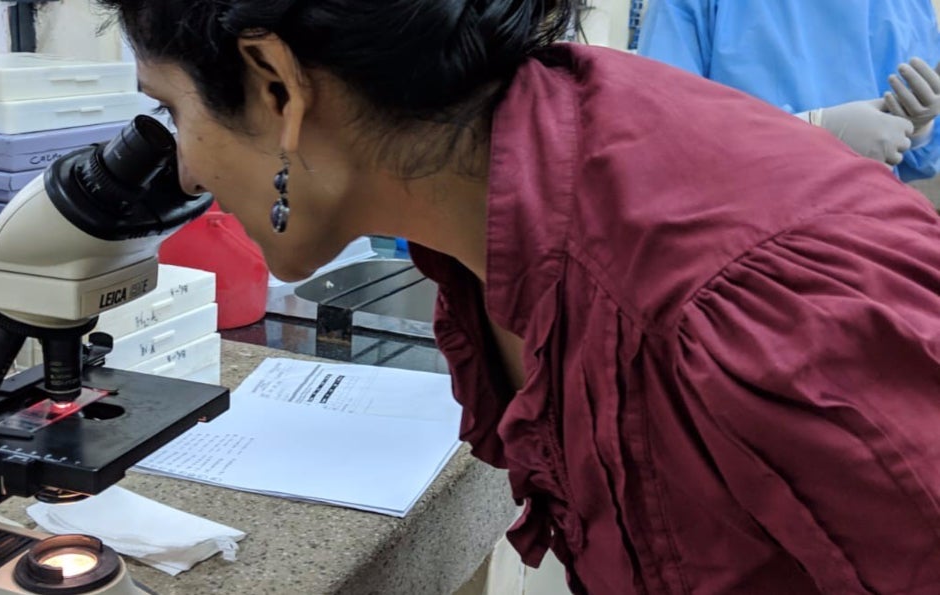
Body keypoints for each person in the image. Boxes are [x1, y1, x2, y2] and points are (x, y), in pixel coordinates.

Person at [96, 0, 940, 592]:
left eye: (172, 110)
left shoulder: (730, 308)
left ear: (275, 82)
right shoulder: (496, 205)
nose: (184, 171)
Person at [637, 0, 940, 181]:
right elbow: (663, 140)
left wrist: (919, 127)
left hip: (872, 237)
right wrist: (811, 130)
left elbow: (922, 159)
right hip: (748, 242)